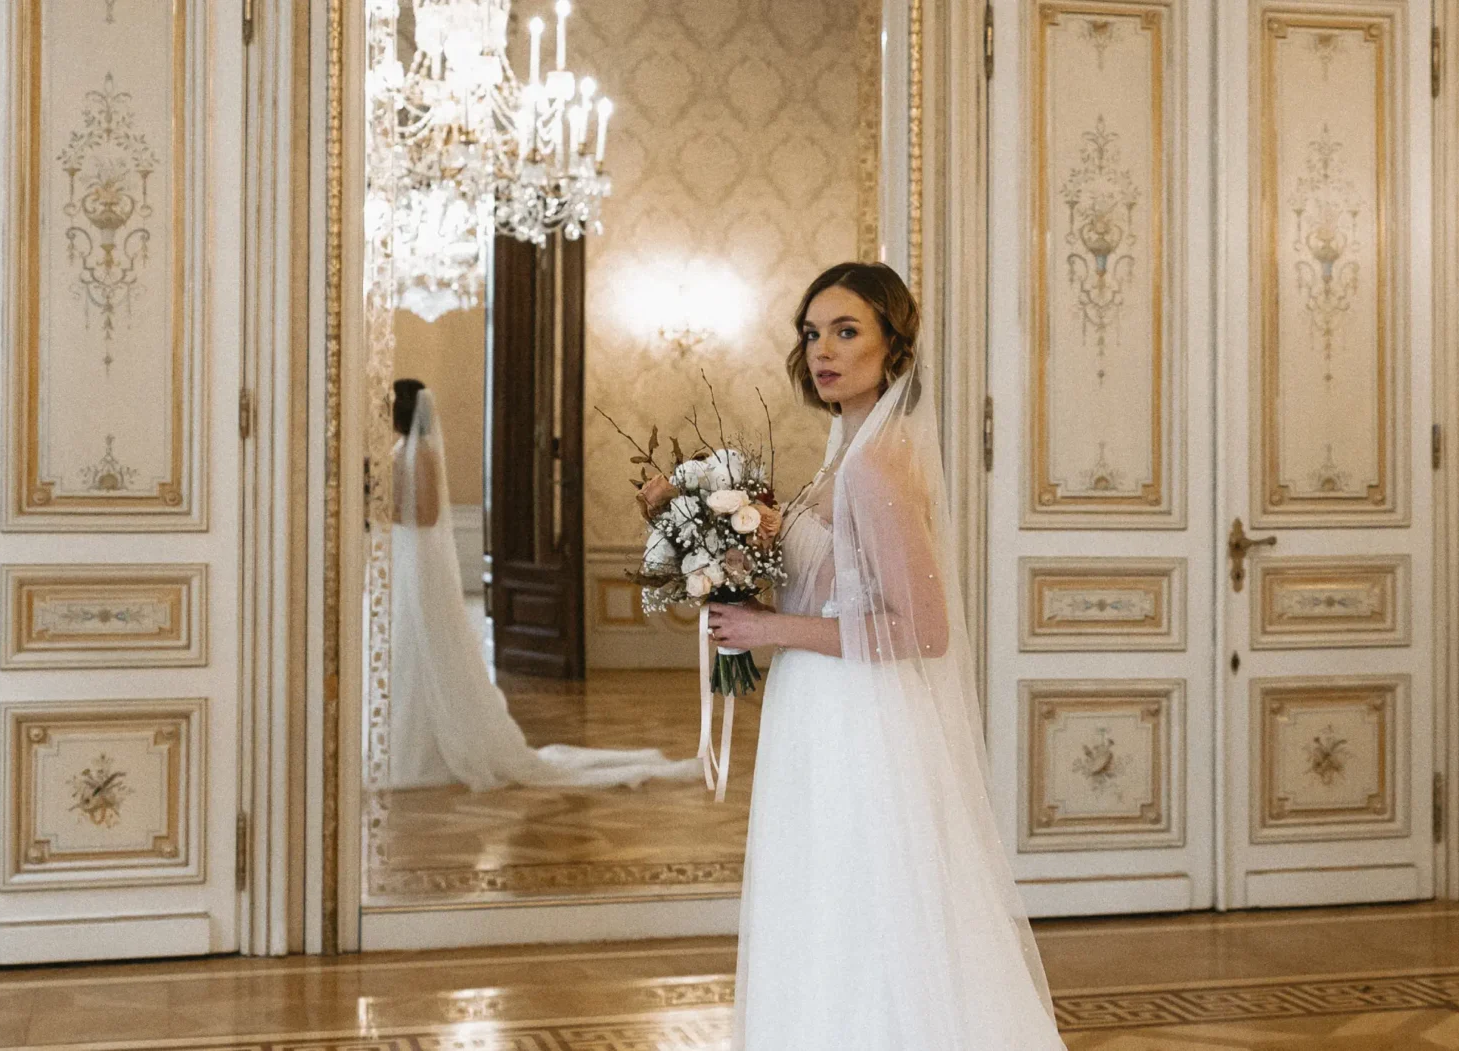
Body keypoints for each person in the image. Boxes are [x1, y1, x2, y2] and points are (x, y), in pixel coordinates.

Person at [705, 264, 1066, 1047]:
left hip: (860, 717)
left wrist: (768, 632)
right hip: (823, 704)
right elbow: (845, 581)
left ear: (893, 347)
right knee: (830, 899)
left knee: (864, 905)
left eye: (847, 331)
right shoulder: (850, 448)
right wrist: (735, 545)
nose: (824, 351)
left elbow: (921, 629)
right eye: (812, 333)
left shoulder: (876, 462)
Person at [385, 378, 702, 793]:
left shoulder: (422, 453)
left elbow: (424, 516)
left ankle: (430, 741)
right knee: (404, 641)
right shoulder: (399, 450)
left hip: (418, 559)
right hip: (404, 557)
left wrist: (380, 508)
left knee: (423, 638)